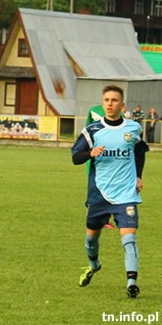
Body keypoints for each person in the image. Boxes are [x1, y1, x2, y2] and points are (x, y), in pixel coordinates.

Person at [72, 84, 148, 298]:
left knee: (128, 238)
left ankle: (132, 282)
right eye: (106, 100)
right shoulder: (92, 130)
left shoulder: (133, 128)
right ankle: (93, 265)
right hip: (99, 194)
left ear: (122, 105)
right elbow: (75, 158)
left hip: (126, 194)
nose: (110, 104)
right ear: (102, 102)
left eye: (114, 100)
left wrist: (138, 176)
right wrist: (90, 153)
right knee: (91, 238)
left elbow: (140, 151)